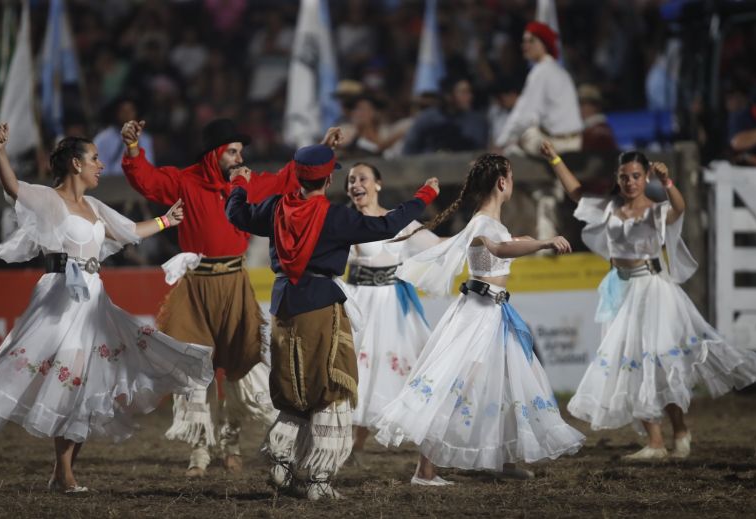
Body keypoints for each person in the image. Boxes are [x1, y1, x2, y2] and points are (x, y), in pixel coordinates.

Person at [0, 124, 214, 493]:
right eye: (95, 159)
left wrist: (167, 220)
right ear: (75, 164)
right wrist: (0, 151)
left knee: (84, 386)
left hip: (93, 301)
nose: (101, 165)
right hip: (59, 302)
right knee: (67, 380)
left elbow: (128, 230)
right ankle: (64, 472)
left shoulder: (94, 206)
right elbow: (13, 188)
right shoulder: (49, 199)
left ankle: (62, 472)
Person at [225, 143, 440, 500]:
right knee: (329, 392)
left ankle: (282, 462)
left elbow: (237, 215)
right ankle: (320, 480)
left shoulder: (276, 207)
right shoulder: (336, 217)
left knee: (294, 389)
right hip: (321, 305)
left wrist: (238, 185)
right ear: (328, 179)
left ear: (297, 176)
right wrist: (424, 195)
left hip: (283, 304)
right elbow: (388, 224)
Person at [120, 118, 327, 477]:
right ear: (215, 154)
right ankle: (199, 450)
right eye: (232, 151)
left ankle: (230, 441)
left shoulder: (246, 184)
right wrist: (134, 149)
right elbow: (148, 181)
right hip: (195, 286)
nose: (238, 157)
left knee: (240, 366)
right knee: (192, 368)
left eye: (240, 152)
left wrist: (321, 152)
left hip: (234, 283)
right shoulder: (184, 181)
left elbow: (285, 178)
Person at [373, 154, 585, 484]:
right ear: (503, 182)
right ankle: (425, 471)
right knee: (457, 384)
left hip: (494, 313)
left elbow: (501, 246)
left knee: (504, 382)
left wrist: (521, 241)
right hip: (477, 315)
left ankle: (501, 458)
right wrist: (542, 242)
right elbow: (498, 250)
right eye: (511, 177)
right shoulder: (484, 223)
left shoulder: (487, 222)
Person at [540, 141, 756, 460]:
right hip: (622, 291)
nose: (630, 182)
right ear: (618, 178)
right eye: (625, 177)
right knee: (631, 364)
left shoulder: (656, 211)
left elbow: (679, 208)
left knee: (658, 363)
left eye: (637, 176)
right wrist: (555, 159)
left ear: (645, 178)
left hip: (654, 291)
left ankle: (680, 430)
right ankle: (655, 441)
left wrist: (667, 182)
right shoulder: (611, 209)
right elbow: (577, 194)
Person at [340, 162, 441, 468]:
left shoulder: (401, 222)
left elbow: (436, 247)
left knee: (395, 373)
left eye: (362, 178)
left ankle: (424, 456)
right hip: (360, 305)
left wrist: (479, 237)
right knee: (360, 373)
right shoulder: (346, 222)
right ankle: (351, 447)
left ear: (378, 184)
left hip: (395, 310)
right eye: (350, 180)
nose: (356, 184)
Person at [495, 22, 583, 156]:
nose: (525, 46)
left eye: (531, 41)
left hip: (558, 145)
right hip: (576, 143)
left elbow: (523, 115)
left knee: (521, 138)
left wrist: (501, 143)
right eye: (524, 41)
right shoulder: (561, 71)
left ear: (544, 44)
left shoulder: (541, 71)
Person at [403, 75, 489, 155]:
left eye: (469, 92)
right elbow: (410, 149)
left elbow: (479, 152)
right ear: (448, 96)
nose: (469, 96)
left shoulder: (477, 122)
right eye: (463, 92)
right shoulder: (428, 119)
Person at [578, 84, 618, 152]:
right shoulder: (583, 128)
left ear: (598, 106)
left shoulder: (599, 131)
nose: (585, 108)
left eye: (590, 103)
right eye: (581, 103)